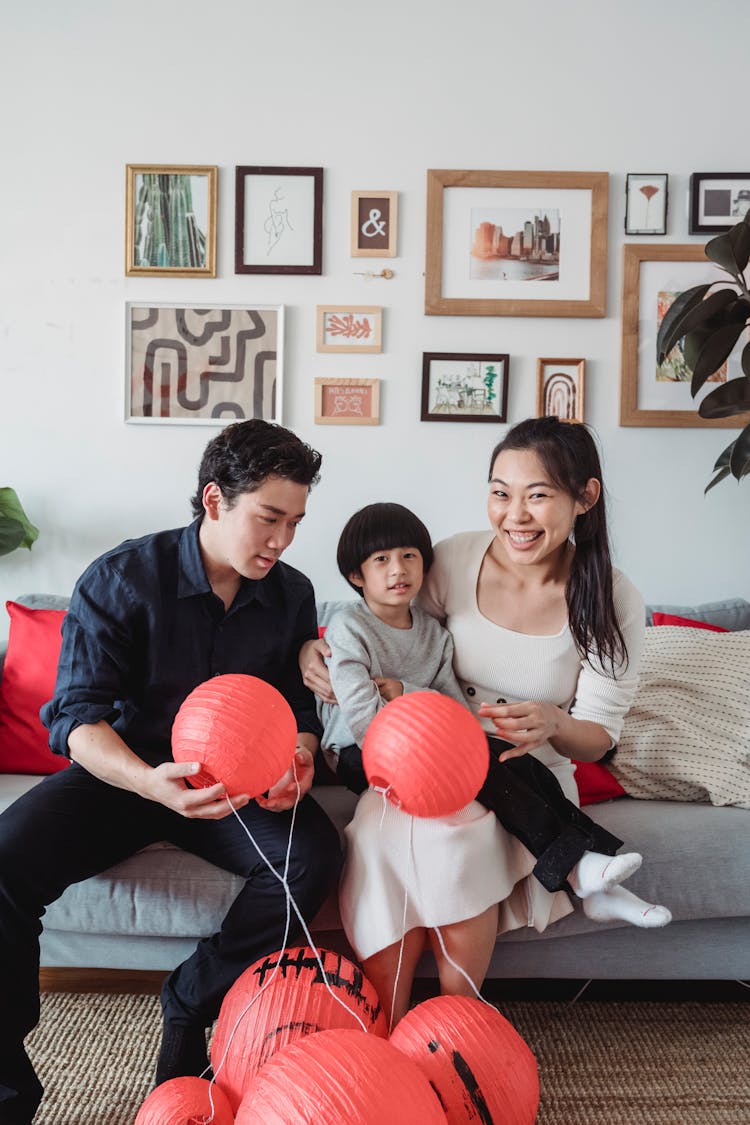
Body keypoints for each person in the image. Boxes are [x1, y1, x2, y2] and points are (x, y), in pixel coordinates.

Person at [0, 420, 342, 1125]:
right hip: (124, 774)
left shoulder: (291, 593)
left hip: (235, 786)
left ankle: (191, 996)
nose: (281, 541)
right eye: (268, 518)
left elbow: (298, 711)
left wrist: (299, 758)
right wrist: (147, 780)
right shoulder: (122, 578)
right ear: (215, 500)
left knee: (314, 855)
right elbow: (75, 719)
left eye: (295, 522)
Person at [301, 419, 671, 984]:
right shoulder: (452, 560)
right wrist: (313, 646)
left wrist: (553, 722)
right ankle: (383, 1021)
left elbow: (599, 737)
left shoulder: (610, 596)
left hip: (527, 770)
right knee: (387, 832)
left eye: (538, 495)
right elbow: (374, 618)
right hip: (422, 752)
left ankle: (458, 1017)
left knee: (459, 839)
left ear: (585, 498)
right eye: (500, 493)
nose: (514, 516)